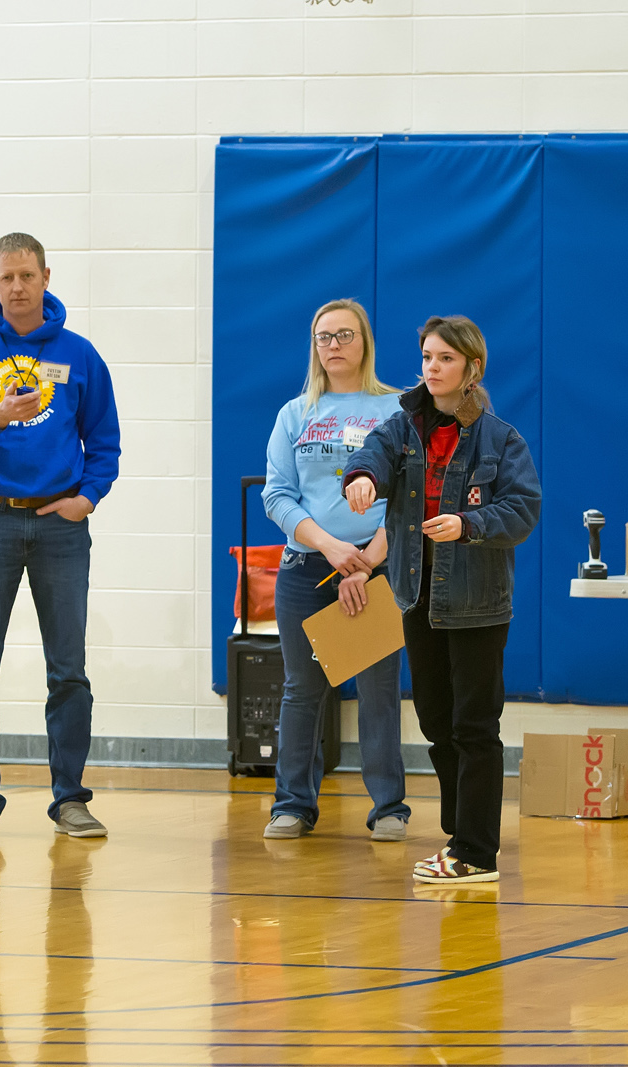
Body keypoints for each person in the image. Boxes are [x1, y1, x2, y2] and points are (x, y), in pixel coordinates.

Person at [0, 232, 121, 840]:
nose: (17, 287)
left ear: (46, 277)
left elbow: (106, 443)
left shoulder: (81, 355)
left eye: (27, 276)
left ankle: (71, 797)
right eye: (6, 277)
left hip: (59, 528)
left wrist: (85, 500)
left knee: (68, 670)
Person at [343, 315, 540, 884]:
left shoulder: (501, 439)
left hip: (476, 601)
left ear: (472, 368)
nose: (433, 367)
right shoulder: (403, 426)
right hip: (417, 597)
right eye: (427, 357)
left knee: (474, 724)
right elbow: (372, 459)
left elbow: (523, 509)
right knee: (435, 720)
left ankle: (477, 851)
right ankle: (459, 840)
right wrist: (360, 478)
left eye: (446, 359)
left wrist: (470, 523)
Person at [260, 298, 410, 841]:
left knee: (377, 690)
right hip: (308, 570)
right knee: (302, 690)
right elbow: (277, 497)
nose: (333, 346)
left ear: (364, 342)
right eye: (324, 337)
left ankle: (389, 808)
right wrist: (329, 548)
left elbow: (412, 501)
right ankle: (293, 805)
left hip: (374, 570)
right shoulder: (294, 414)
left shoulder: (396, 409)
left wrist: (366, 559)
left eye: (344, 335)